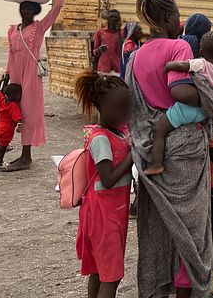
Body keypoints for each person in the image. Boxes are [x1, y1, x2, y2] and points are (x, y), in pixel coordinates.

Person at [126, 0, 213, 297]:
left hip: (150, 151)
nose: (180, 20)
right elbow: (180, 91)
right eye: (177, 15)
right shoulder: (180, 47)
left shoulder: (135, 55)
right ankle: (188, 288)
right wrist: (210, 99)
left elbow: (132, 106)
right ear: (166, 19)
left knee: (159, 227)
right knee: (191, 229)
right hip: (185, 149)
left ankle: (156, 287)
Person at [74, 71, 133, 298]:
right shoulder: (100, 138)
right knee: (111, 275)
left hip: (109, 212)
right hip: (104, 215)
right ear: (100, 106)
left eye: (127, 107)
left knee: (100, 271)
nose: (125, 114)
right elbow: (108, 179)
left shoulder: (114, 133)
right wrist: (132, 155)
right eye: (119, 108)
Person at [2, 0, 68, 172]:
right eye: (25, 9)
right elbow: (11, 54)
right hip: (15, 75)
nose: (27, 12)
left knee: (29, 114)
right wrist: (6, 76)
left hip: (31, 76)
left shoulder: (39, 28)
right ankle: (16, 153)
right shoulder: (13, 30)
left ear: (35, 12)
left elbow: (56, 10)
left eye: (31, 10)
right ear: (21, 10)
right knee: (14, 112)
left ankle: (26, 156)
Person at [144, 31, 213, 176]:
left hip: (187, 109)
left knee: (159, 130)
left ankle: (156, 164)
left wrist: (168, 65)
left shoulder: (202, 64)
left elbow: (183, 65)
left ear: (201, 52)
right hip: (204, 113)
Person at [0, 83, 23, 172]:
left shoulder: (2, 100)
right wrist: (19, 125)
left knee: (4, 144)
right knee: (3, 146)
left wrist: (2, 81)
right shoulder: (13, 106)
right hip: (7, 129)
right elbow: (18, 118)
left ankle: (0, 161)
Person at [93, 10, 123, 75]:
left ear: (118, 19)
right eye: (111, 17)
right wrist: (99, 49)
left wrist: (118, 32)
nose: (113, 19)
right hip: (103, 69)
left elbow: (122, 50)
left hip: (117, 69)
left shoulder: (121, 33)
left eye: (115, 17)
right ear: (108, 19)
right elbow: (95, 52)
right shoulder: (100, 32)